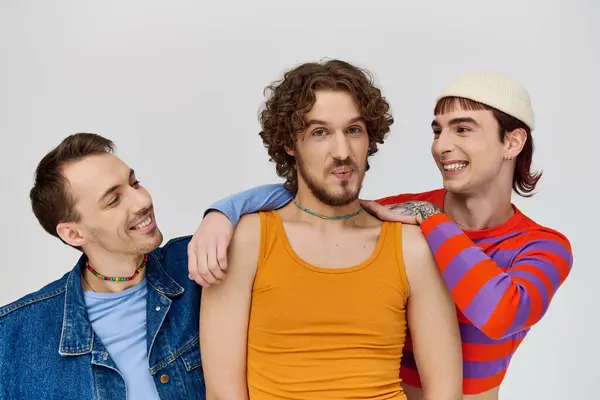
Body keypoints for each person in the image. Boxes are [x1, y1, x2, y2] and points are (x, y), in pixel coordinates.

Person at [188, 70, 574, 399]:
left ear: (512, 142)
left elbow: (501, 311)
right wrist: (223, 213)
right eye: (437, 130)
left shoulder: (538, 246)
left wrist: (431, 219)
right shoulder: (399, 213)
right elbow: (323, 198)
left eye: (463, 129)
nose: (443, 145)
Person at [198, 59, 463, 400]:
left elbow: (445, 391)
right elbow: (223, 393)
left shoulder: (411, 247)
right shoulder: (248, 240)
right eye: (319, 132)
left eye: (354, 130)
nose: (342, 152)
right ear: (291, 145)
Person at [0, 133, 206, 399]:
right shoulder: (13, 339)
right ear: (73, 234)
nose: (142, 201)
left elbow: (275, 203)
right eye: (113, 200)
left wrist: (223, 214)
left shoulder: (197, 266)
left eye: (135, 183)